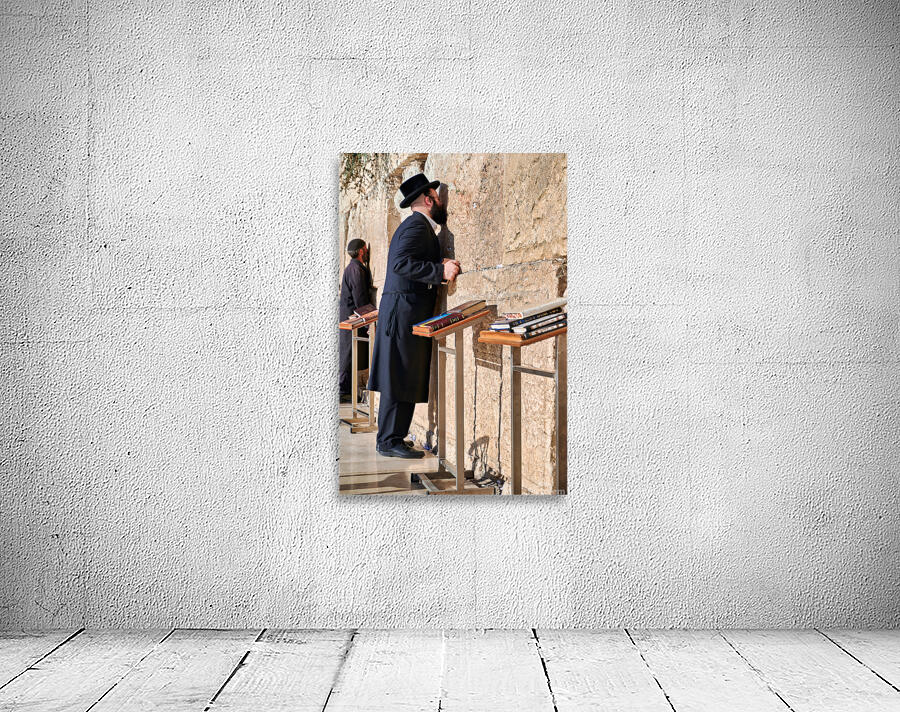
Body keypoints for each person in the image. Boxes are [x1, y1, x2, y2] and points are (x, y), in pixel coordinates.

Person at [367, 173, 461, 458]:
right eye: (437, 197)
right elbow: (400, 263)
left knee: (403, 375)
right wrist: (439, 271)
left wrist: (437, 263)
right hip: (402, 313)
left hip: (405, 312)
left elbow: (411, 261)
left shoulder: (418, 227)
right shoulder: (416, 226)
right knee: (398, 376)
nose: (441, 202)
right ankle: (388, 441)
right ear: (428, 200)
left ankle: (393, 436)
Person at [339, 238, 373, 403]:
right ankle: (343, 390)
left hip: (351, 318)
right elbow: (360, 298)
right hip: (352, 318)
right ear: (361, 251)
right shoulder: (355, 270)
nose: (367, 253)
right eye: (365, 250)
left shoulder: (354, 268)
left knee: (350, 352)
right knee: (348, 354)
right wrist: (368, 319)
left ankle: (345, 389)